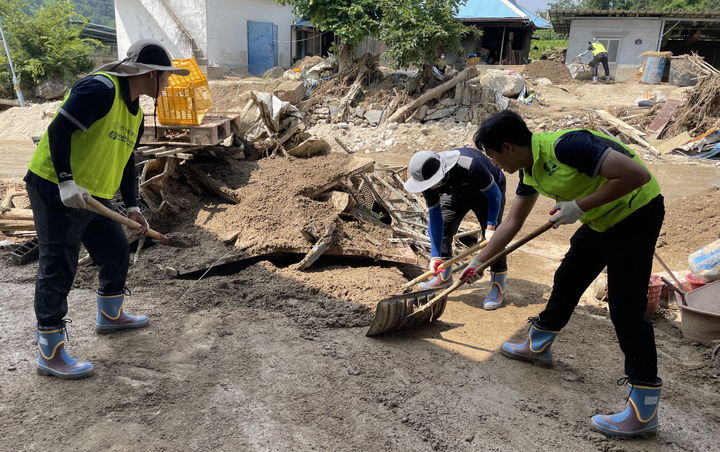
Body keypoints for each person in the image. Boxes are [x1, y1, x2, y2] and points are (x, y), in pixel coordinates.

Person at [464, 110, 664, 438]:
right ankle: (539, 345)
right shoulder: (529, 171)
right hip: (600, 219)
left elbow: (637, 175)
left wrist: (579, 206)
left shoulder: (567, 147)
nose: (494, 163)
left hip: (635, 215)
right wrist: (479, 262)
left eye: (492, 156)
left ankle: (643, 412)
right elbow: (512, 223)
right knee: (568, 277)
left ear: (507, 146)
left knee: (626, 309)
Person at [25, 39, 190, 379]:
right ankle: (50, 352)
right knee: (59, 265)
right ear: (149, 74)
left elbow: (126, 159)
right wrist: (66, 181)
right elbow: (58, 131)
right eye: (167, 76)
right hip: (54, 188)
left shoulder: (137, 113)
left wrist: (131, 205)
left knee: (115, 251)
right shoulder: (99, 89)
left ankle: (110, 316)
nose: (169, 82)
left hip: (93, 195)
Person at [403, 148, 508, 310]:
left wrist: (491, 226)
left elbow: (494, 195)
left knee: (494, 239)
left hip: (488, 192)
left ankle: (498, 285)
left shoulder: (470, 165)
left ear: (441, 173)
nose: (430, 188)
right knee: (444, 226)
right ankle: (444, 277)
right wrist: (434, 256)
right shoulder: (427, 181)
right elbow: (436, 217)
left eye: (432, 184)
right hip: (458, 192)